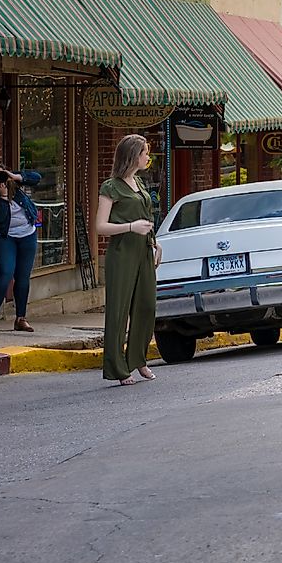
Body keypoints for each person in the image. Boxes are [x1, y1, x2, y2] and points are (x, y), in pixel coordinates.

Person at [96, 134, 159, 386]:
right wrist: (131, 226)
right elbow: (100, 226)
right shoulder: (111, 186)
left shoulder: (140, 184)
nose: (147, 157)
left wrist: (155, 243)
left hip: (144, 250)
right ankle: (118, 368)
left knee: (147, 306)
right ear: (132, 155)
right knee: (119, 310)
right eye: (144, 153)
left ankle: (138, 359)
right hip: (122, 254)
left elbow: (146, 217)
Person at [0, 164, 41, 332]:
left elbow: (36, 178)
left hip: (27, 234)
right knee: (5, 273)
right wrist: (3, 197)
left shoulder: (13, 182)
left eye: (0, 174)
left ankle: (21, 318)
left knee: (23, 276)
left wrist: (13, 176)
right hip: (3, 236)